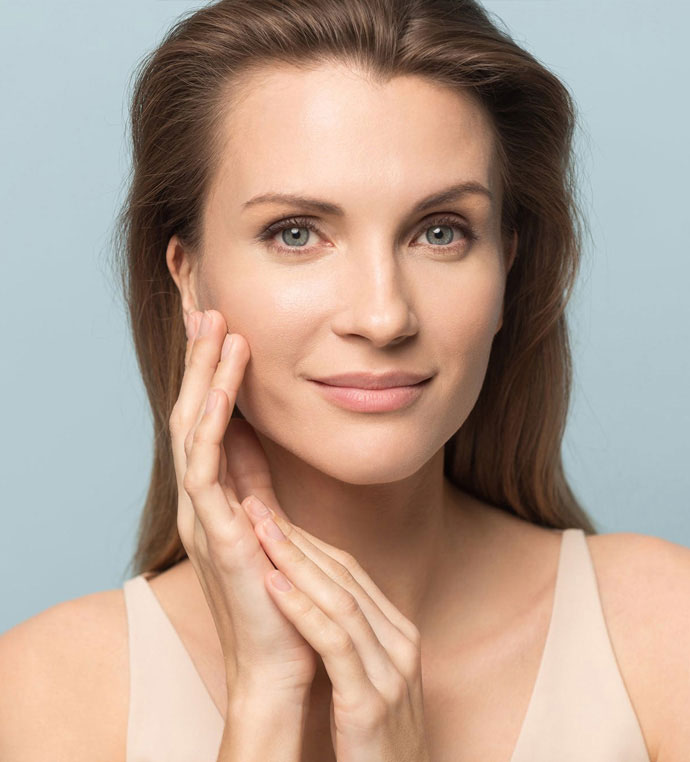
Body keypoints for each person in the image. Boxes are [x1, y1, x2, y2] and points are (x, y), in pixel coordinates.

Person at [1, 1, 688, 760]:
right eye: (296, 233)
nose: (384, 315)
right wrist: (264, 701)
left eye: (441, 232)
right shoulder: (45, 694)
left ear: (509, 265)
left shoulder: (665, 634)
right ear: (189, 277)